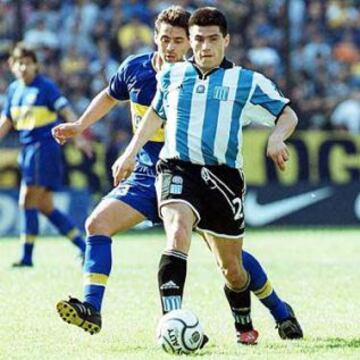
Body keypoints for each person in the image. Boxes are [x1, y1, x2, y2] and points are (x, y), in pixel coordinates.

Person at [53, 6, 301, 344]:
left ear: (192, 43)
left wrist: (275, 137)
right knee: (99, 224)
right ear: (155, 37)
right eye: (165, 39)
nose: (170, 47)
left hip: (208, 177)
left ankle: (278, 310)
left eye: (179, 40)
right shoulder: (138, 70)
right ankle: (96, 309)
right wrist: (83, 126)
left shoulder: (206, 77)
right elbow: (112, 97)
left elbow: (282, 114)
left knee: (231, 263)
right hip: (154, 175)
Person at [0, 43, 87, 267]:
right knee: (45, 206)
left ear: (36, 65)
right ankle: (83, 247)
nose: (23, 67)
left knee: (25, 200)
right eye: (19, 63)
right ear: (12, 65)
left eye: (28, 63)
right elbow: (6, 121)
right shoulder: (13, 91)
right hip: (28, 150)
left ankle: (27, 257)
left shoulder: (45, 87)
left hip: (43, 148)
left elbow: (66, 110)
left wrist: (79, 135)